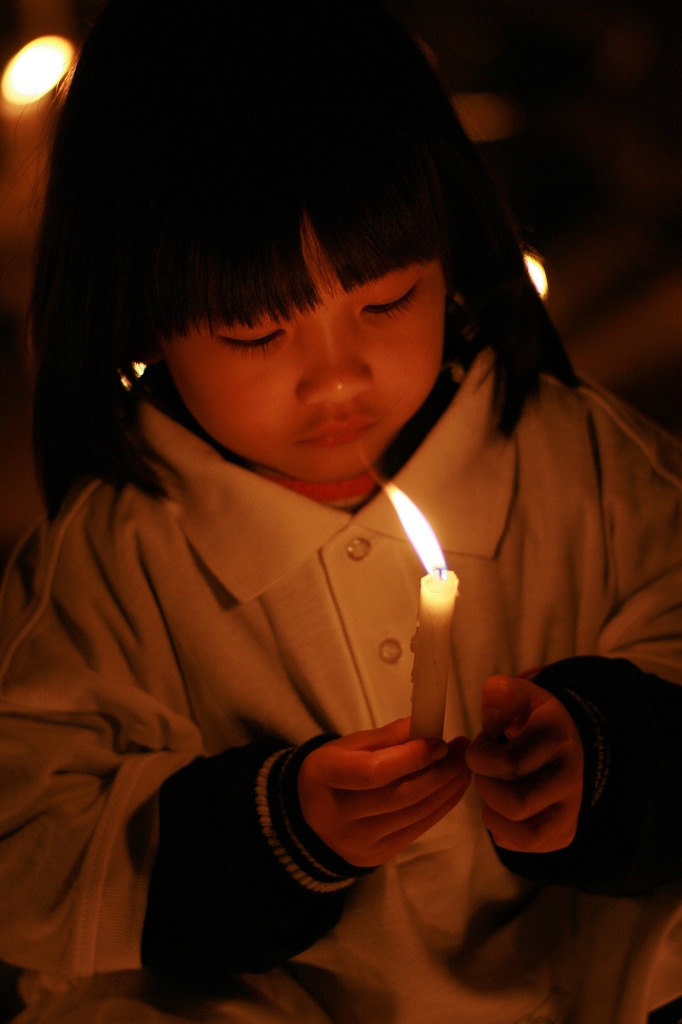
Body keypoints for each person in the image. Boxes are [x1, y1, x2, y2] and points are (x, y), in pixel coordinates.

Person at [0, 0, 681, 1021]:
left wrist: (599, 759)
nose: (336, 380)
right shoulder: (111, 561)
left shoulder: (586, 469)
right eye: (254, 335)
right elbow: (33, 849)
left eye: (385, 301)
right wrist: (276, 828)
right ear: (142, 310)